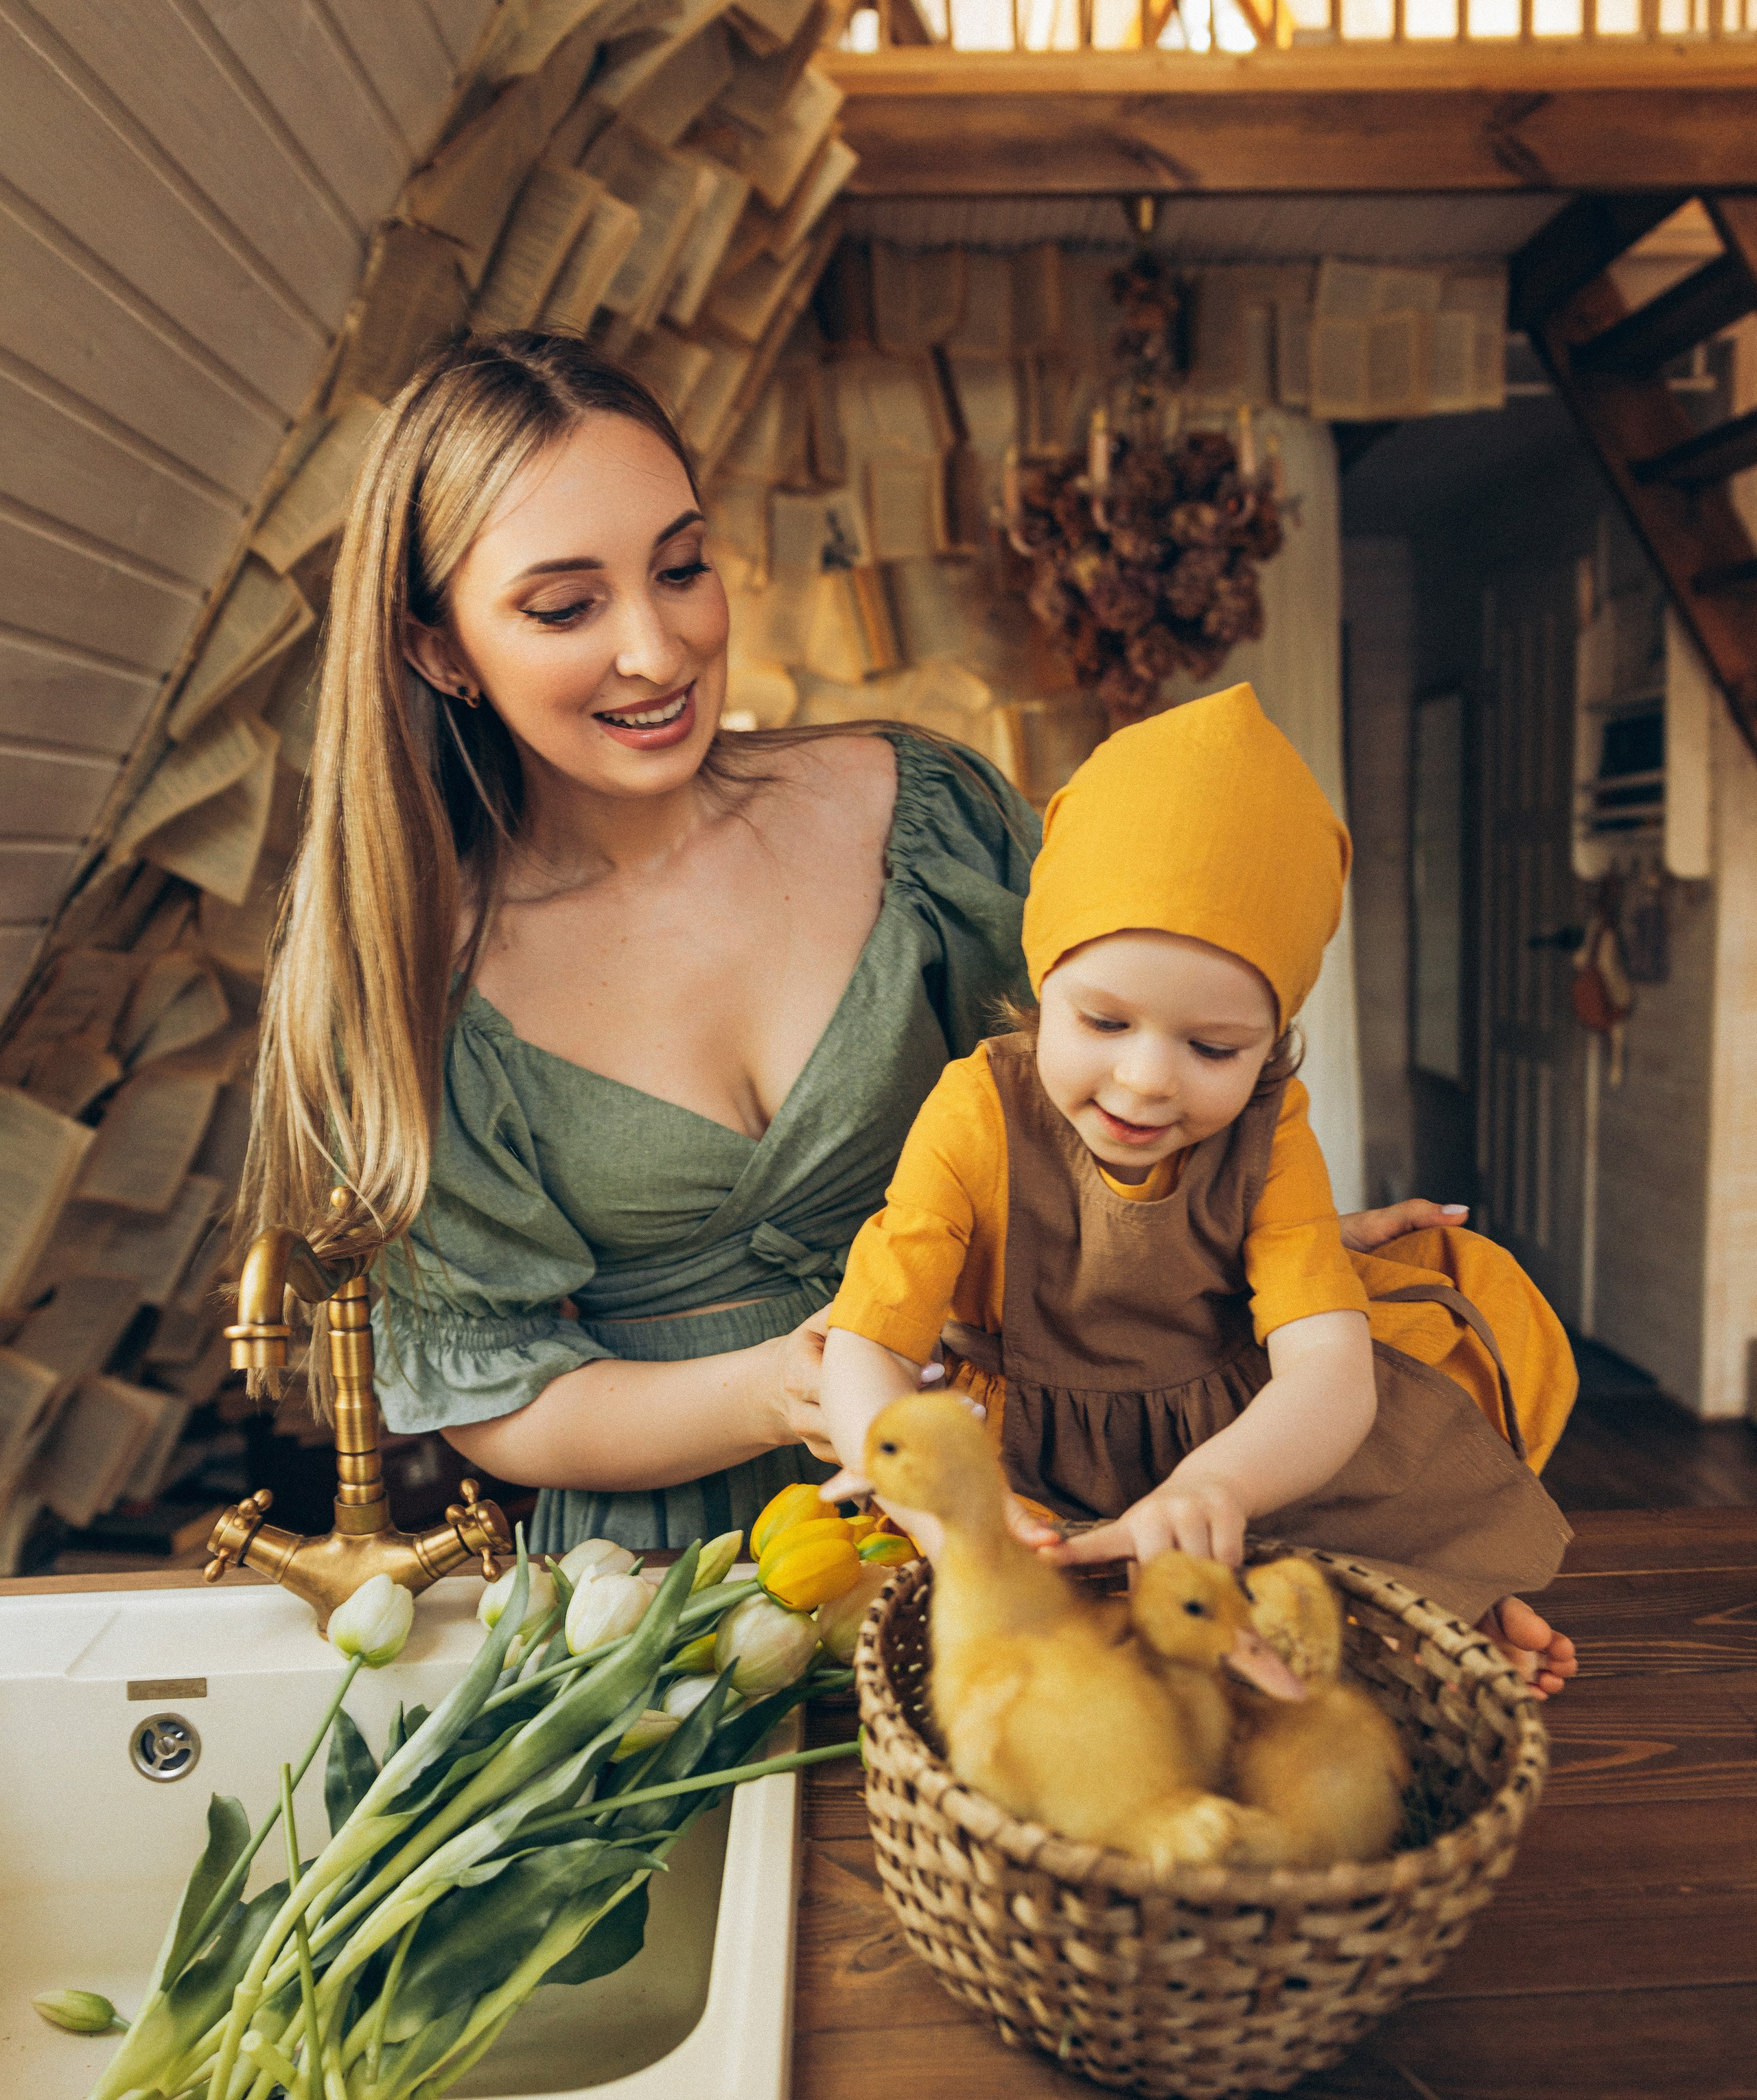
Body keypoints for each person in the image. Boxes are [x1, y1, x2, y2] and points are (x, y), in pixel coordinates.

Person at [242, 334, 1494, 1596]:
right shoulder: (411, 987)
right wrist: (783, 1388)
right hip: (675, 1582)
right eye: (566, 606)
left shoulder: (923, 815)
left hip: (1022, 1500)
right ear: (438, 648)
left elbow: (1112, 1093)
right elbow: (496, 1399)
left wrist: (1252, 1245)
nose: (658, 649)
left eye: (681, 570)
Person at [820, 684, 1579, 1695]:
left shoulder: (1274, 1127)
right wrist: (932, 1496)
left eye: (1213, 1047)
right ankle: (1416, 1609)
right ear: (1043, 985)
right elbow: (869, 1342)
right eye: (1101, 1023)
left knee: (1342, 1505)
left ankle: (1443, 1605)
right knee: (1025, 1625)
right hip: (1026, 1453)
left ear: (1272, 1042)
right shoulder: (974, 1113)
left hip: (1224, 1435)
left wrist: (1215, 1483)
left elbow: (1327, 1375)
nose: (1145, 1080)